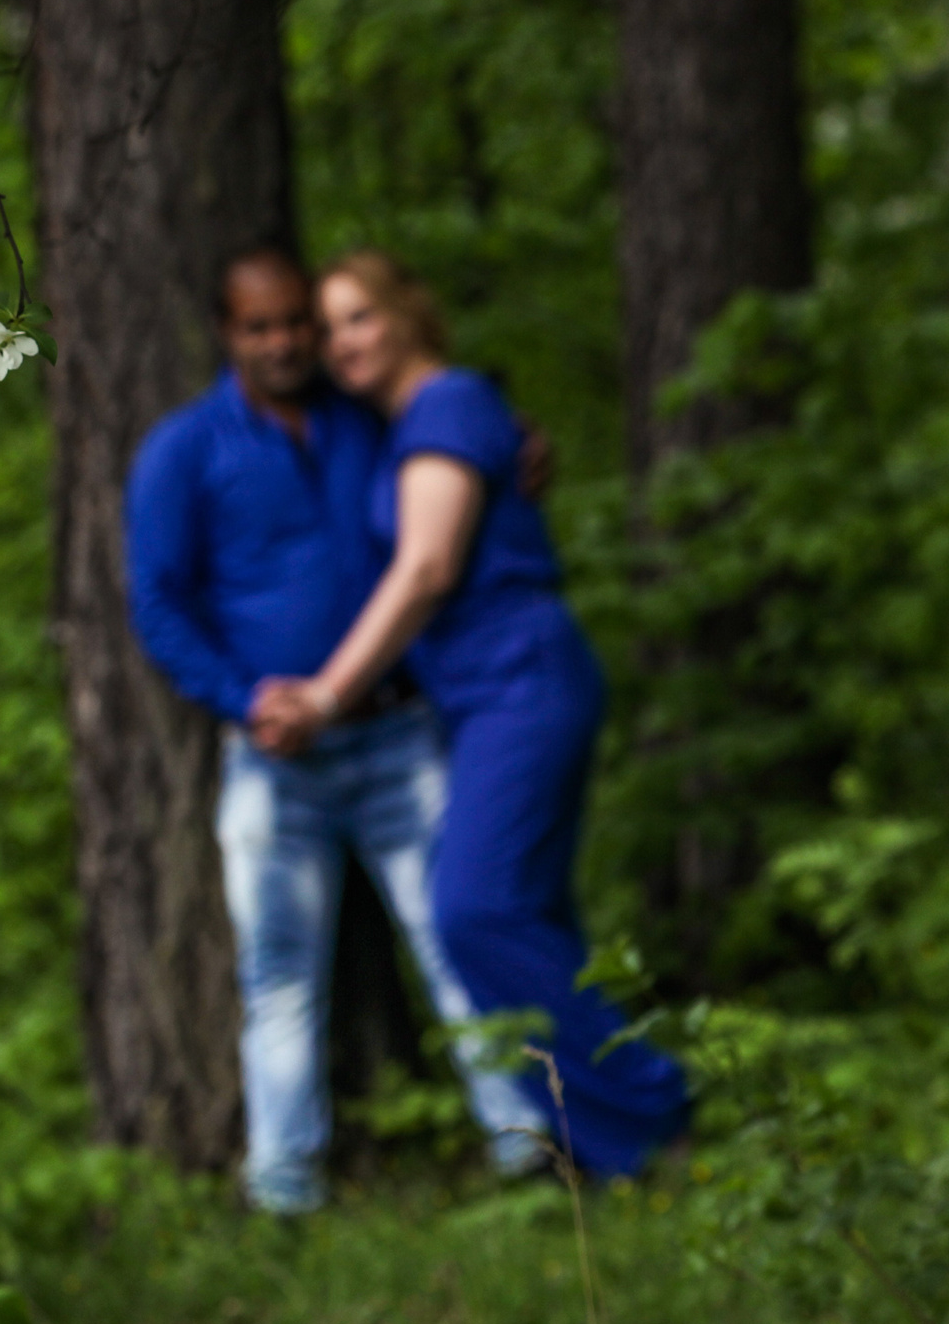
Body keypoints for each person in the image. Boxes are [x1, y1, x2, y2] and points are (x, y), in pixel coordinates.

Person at [126, 246, 547, 1216]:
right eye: (259, 327)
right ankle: (284, 1189)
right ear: (227, 335)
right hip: (277, 760)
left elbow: (458, 461)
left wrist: (518, 446)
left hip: (398, 735)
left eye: (295, 324)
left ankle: (524, 1150)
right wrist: (243, 699)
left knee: (457, 938)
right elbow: (157, 601)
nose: (281, 343)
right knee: (280, 979)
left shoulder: (368, 418)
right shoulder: (183, 450)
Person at [254, 251, 689, 1180]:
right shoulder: (423, 418)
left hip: (519, 680)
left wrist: (327, 695)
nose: (343, 343)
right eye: (331, 329)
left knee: (475, 907)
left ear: (411, 310)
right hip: (481, 693)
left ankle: (656, 1114)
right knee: (530, 913)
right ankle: (603, 1146)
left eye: (361, 316)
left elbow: (428, 567)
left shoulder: (446, 404)